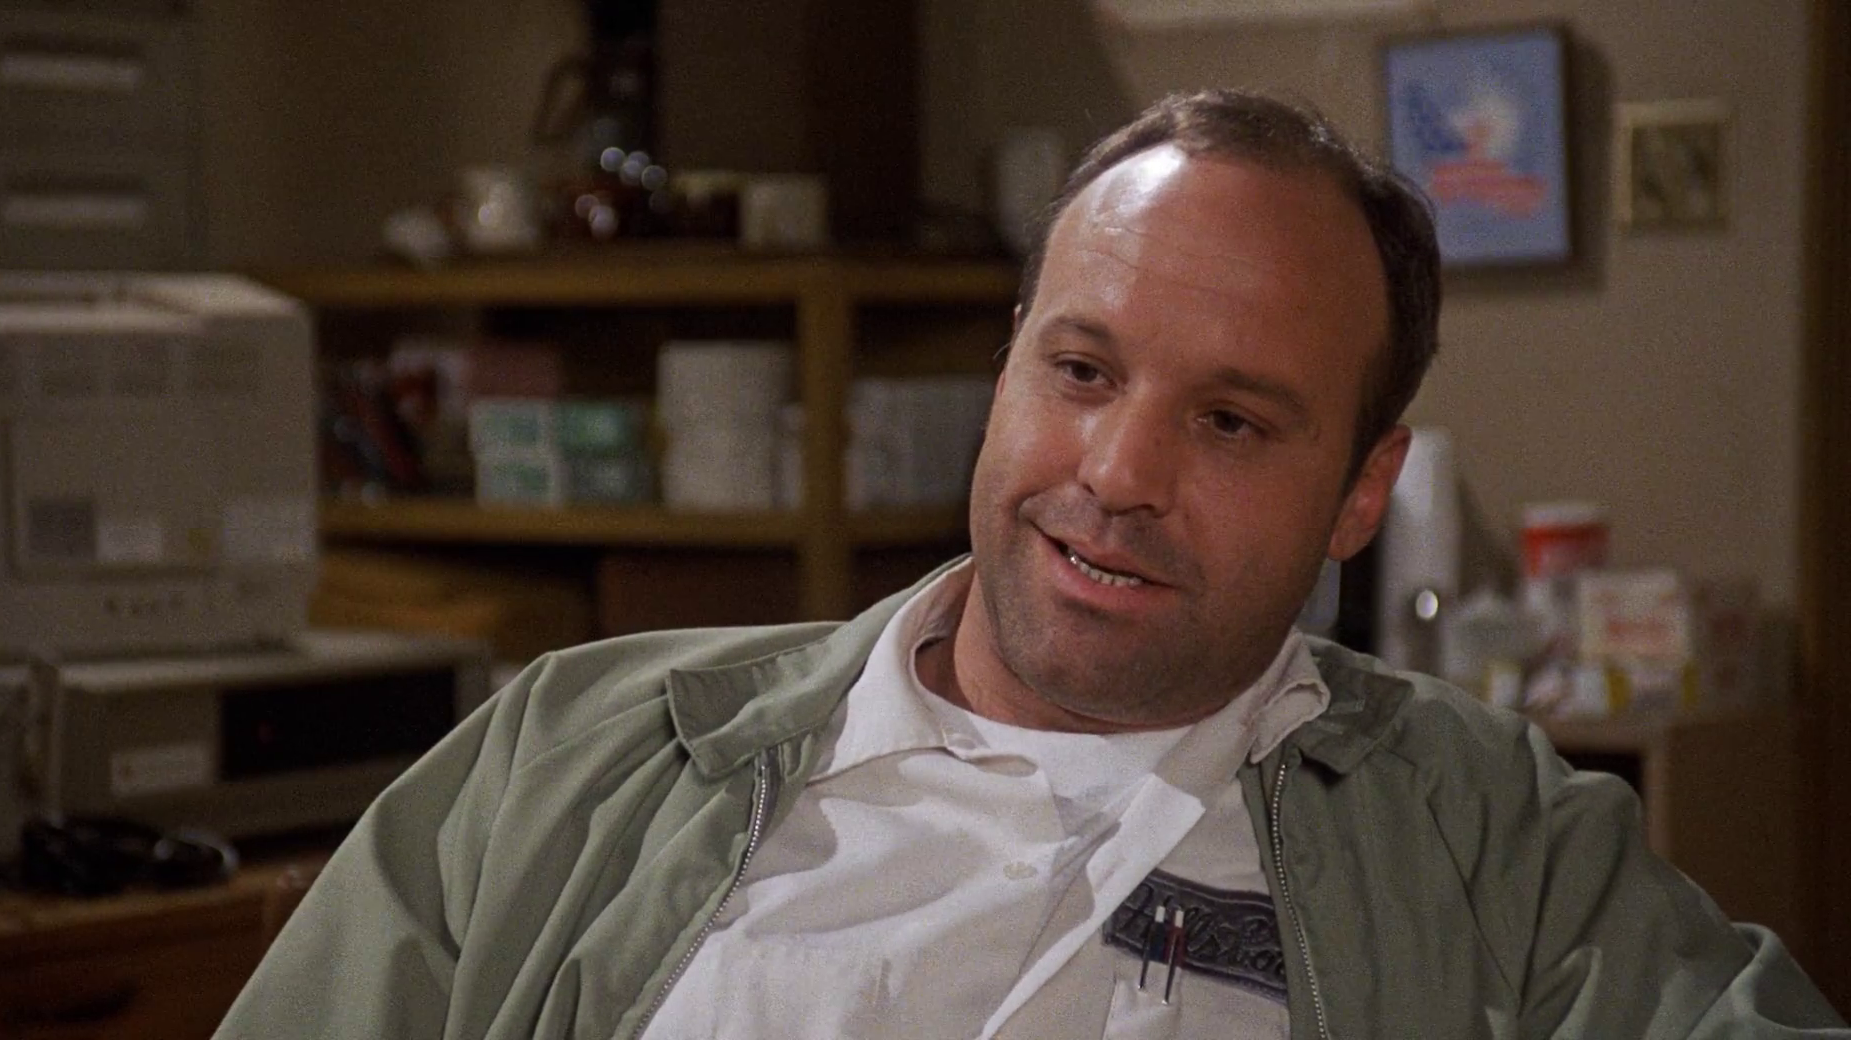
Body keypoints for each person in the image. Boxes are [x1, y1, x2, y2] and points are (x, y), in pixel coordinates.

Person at [216, 90, 1846, 1039]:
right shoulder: (573, 755)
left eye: (1230, 422)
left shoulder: (1495, 844)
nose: (1116, 476)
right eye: (1080, 370)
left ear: (1362, 492)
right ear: (1008, 366)